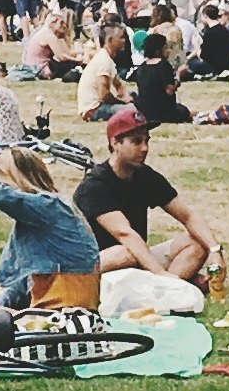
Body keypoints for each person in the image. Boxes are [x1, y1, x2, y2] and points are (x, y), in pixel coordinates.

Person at [0, 143, 104, 317]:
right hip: (45, 308)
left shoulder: (49, 207)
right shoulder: (45, 214)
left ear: (13, 177)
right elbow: (23, 287)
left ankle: (16, 322)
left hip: (63, 317)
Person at [73, 112, 220, 287]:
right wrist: (159, 272)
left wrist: (214, 250)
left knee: (197, 243)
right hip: (93, 265)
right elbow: (124, 234)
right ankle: (168, 285)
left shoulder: (144, 175)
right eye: (136, 141)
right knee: (125, 253)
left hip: (135, 257)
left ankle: (164, 290)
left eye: (146, 141)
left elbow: (188, 216)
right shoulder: (95, 185)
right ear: (115, 143)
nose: (144, 148)